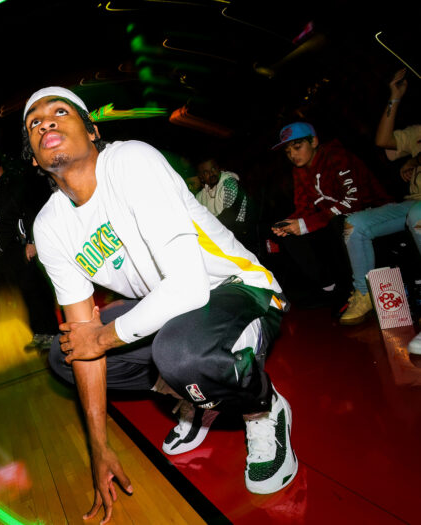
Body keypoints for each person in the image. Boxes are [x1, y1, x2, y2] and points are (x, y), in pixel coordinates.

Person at [24, 86, 296, 524]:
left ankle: (262, 406)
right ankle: (193, 395)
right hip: (168, 307)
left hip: (238, 287)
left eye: (59, 112)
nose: (46, 123)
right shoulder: (51, 226)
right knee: (64, 352)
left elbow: (189, 288)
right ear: (35, 159)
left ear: (92, 131)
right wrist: (99, 447)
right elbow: (83, 340)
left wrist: (106, 335)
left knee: (180, 352)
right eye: (34, 123)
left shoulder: (130, 161)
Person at [270, 122, 391, 311]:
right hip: (335, 218)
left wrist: (308, 223)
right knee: (289, 235)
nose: (293, 155)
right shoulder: (299, 171)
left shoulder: (336, 155)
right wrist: (287, 224)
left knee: (337, 223)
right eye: (288, 151)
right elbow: (304, 207)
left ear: (314, 141)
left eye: (297, 146)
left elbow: (354, 200)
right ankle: (328, 286)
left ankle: (354, 288)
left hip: (372, 212)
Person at [339, 68, 421, 325]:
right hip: (412, 203)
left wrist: (416, 158)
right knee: (355, 224)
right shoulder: (419, 132)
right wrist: (394, 97)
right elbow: (383, 140)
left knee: (418, 215)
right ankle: (365, 294)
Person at [0, 148, 58, 350]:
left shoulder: (14, 184)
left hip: (22, 246)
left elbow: (31, 212)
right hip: (5, 254)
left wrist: (32, 241)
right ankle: (39, 333)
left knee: (36, 291)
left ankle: (52, 332)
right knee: (25, 294)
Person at [194, 157, 257, 253]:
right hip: (222, 240)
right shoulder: (200, 196)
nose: (211, 174)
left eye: (213, 169)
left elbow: (229, 217)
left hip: (242, 239)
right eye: (206, 172)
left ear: (219, 168)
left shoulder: (229, 184)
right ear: (201, 177)